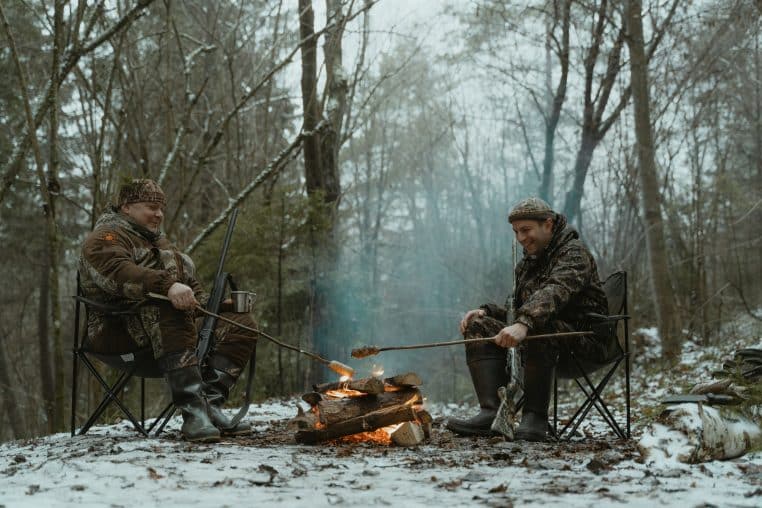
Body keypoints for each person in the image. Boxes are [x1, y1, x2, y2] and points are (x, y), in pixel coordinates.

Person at [78, 179, 258, 443]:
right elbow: (119, 275)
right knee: (169, 309)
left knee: (240, 321)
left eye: (161, 208)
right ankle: (193, 412)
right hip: (116, 334)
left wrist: (223, 305)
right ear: (126, 207)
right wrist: (169, 286)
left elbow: (193, 298)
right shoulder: (104, 239)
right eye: (151, 207)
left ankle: (210, 402)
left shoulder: (164, 246)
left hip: (169, 336)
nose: (159, 214)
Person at [446, 197, 619, 441]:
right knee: (478, 326)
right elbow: (515, 307)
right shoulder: (530, 262)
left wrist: (524, 323)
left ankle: (535, 419)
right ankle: (491, 413)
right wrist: (486, 312)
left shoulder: (574, 254)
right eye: (516, 232)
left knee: (540, 325)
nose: (520, 238)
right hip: (544, 338)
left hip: (586, 341)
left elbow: (555, 292)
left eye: (526, 230)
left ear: (547, 224)